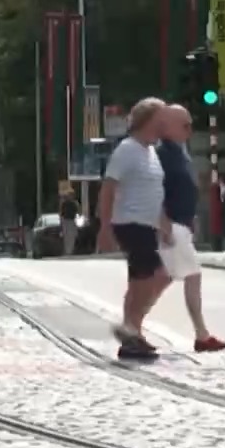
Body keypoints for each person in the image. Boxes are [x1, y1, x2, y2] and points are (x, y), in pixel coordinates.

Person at [96, 99, 173, 362]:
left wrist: (164, 223)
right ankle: (130, 328)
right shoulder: (127, 149)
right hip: (130, 222)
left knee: (146, 278)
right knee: (152, 276)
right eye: (161, 120)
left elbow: (153, 192)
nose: (165, 125)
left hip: (147, 224)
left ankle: (132, 332)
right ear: (148, 120)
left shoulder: (151, 152)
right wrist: (104, 227)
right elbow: (108, 188)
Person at [152, 105, 225, 352]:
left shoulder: (179, 152)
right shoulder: (162, 154)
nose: (190, 131)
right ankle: (201, 335)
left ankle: (132, 324)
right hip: (171, 224)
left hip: (180, 224)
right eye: (185, 125)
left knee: (165, 277)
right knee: (189, 274)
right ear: (168, 127)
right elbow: (153, 190)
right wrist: (162, 221)